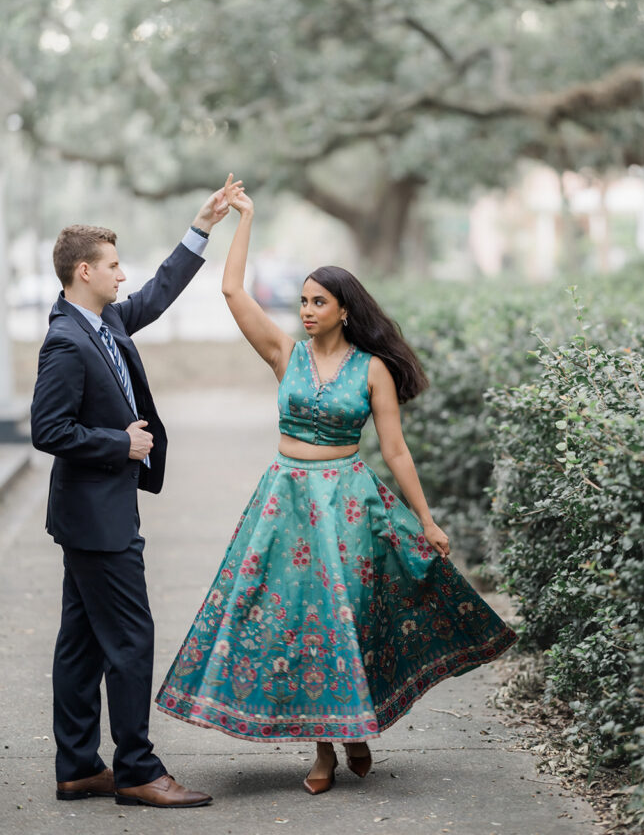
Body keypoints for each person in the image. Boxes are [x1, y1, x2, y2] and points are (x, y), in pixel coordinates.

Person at [156, 177, 517, 795]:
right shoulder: (283, 353)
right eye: (302, 301)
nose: (305, 310)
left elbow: (396, 450)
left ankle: (352, 731)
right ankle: (325, 747)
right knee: (298, 619)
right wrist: (243, 219)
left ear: (343, 310)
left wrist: (426, 520)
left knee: (341, 620)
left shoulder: (372, 369)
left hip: (349, 504)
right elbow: (231, 289)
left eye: (318, 302)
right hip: (286, 501)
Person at [31, 183, 236, 809]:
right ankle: (138, 770)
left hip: (93, 514)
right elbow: (49, 429)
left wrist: (200, 227)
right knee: (129, 638)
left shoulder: (105, 318)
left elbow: (160, 291)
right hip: (99, 518)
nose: (125, 275)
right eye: (114, 265)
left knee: (83, 640)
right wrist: (119, 444)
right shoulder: (66, 341)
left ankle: (78, 767)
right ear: (84, 271)